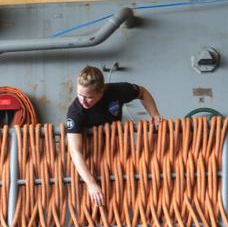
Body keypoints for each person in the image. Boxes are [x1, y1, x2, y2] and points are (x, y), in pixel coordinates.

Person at [64, 63, 161, 206]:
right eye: (79, 94)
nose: (83, 101)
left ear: (101, 91)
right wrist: (91, 183)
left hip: (115, 146)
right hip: (90, 153)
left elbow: (143, 93)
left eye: (89, 97)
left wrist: (155, 115)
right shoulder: (75, 112)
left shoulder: (118, 90)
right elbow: (75, 151)